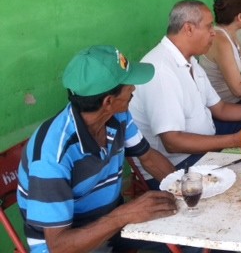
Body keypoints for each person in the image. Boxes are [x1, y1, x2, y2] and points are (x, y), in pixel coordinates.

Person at [17, 45, 178, 253]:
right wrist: (123, 215)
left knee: (191, 238)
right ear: (108, 101)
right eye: (129, 85)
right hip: (72, 243)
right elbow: (59, 246)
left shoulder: (117, 116)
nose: (134, 90)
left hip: (111, 224)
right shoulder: (53, 155)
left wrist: (185, 187)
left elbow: (147, 157)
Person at [129, 0, 241, 188]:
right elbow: (173, 142)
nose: (213, 32)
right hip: (178, 164)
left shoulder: (190, 60)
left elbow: (220, 108)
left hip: (203, 146)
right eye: (209, 26)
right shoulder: (161, 70)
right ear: (189, 29)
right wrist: (234, 141)